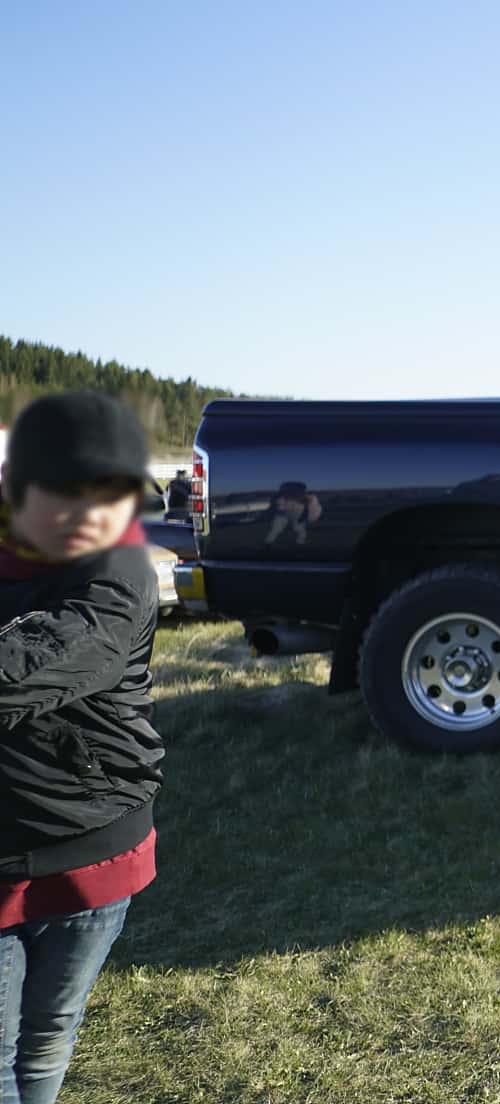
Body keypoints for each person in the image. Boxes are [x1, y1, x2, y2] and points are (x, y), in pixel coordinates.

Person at [0, 392, 165, 1104]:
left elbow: (31, 665)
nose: (97, 517)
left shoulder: (118, 575)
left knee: (46, 1035)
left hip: (88, 852)